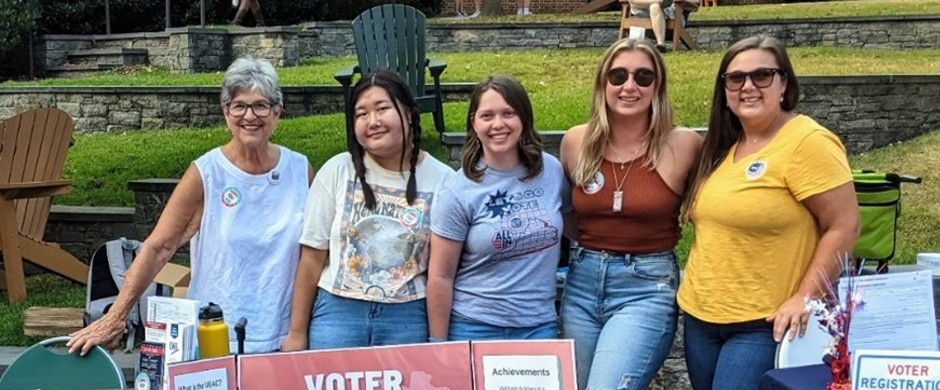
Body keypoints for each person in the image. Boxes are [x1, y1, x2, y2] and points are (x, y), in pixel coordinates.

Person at [678, 35, 860, 390]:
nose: (749, 86)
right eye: (736, 78)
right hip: (702, 318)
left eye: (762, 75)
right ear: (724, 89)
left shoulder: (806, 141)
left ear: (785, 82)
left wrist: (804, 295)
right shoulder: (723, 147)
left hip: (764, 324)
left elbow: (844, 225)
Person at [68, 57, 311, 356]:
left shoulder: (300, 170)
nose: (250, 116)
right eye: (239, 105)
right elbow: (159, 247)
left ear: (277, 112)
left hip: (285, 335)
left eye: (261, 105)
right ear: (225, 112)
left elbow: (315, 252)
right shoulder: (206, 173)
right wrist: (116, 316)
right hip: (217, 335)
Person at [559, 37, 702, 390]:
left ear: (658, 85)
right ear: (602, 83)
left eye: (643, 76)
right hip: (583, 284)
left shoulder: (683, 145)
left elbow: (711, 213)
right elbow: (567, 212)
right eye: (618, 76)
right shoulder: (576, 143)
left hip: (646, 286)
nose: (629, 86)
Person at [281, 70, 453, 351]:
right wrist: (297, 333)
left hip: (407, 317)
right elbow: (312, 257)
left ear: (409, 113)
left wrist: (438, 343)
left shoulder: (443, 179)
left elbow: (441, 271)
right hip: (337, 314)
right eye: (361, 114)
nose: (372, 122)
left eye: (382, 109)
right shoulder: (337, 171)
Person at [427, 75, 570, 342]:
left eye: (508, 113)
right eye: (487, 116)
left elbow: (575, 226)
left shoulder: (552, 170)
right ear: (474, 123)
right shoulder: (458, 190)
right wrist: (438, 346)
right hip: (474, 325)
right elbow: (441, 275)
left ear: (524, 119)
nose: (498, 124)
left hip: (538, 325)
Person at [627, 0, 699, 52]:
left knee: (654, 7)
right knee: (654, 6)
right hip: (645, 18)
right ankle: (659, 2)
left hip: (673, 17)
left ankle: (661, 44)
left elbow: (696, 2)